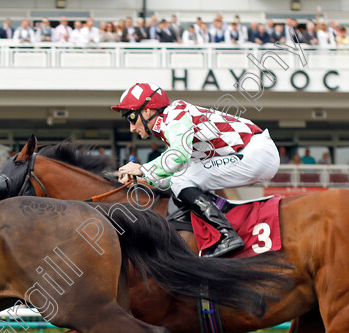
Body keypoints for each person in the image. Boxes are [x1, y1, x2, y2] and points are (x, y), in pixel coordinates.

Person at [114, 82, 279, 258]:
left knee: (183, 180)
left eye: (131, 118)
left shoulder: (176, 115)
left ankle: (226, 234)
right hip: (253, 154)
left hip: (256, 153)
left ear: (147, 111)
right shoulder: (171, 127)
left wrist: (143, 169)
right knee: (183, 180)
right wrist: (145, 180)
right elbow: (179, 174)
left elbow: (179, 156)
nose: (131, 128)